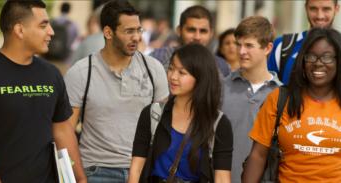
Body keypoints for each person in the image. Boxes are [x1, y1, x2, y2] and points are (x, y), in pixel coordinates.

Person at [64, 0, 169, 182]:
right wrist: (79, 177)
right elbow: (65, 131)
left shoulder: (154, 69)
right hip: (97, 171)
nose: (136, 37)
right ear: (108, 32)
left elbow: (167, 125)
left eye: (139, 30)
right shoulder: (82, 72)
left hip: (144, 169)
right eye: (129, 31)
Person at [0, 1, 86, 183]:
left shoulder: (51, 73)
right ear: (20, 30)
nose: (51, 31)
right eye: (43, 25)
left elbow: (62, 130)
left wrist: (79, 178)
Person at [243, 27, 341, 182]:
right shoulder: (280, 98)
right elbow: (258, 155)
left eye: (327, 57)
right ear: (302, 61)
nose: (318, 64)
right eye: (311, 57)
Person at [129, 44, 233, 183]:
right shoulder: (153, 113)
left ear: (200, 76)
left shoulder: (218, 123)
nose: (173, 76)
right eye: (171, 69)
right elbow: (136, 168)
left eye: (182, 72)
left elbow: (222, 177)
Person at [221, 16, 281, 183]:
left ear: (268, 48)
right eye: (238, 44)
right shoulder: (219, 89)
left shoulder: (282, 96)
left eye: (249, 45)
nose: (241, 52)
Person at [268, 0, 339, 85]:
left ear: (336, 9)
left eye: (326, 9)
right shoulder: (282, 46)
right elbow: (268, 91)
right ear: (306, 8)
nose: (320, 16)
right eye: (313, 9)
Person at [150, 5, 231, 77]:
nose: (197, 37)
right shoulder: (158, 58)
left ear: (211, 34)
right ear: (179, 31)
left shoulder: (221, 67)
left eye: (203, 31)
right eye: (191, 30)